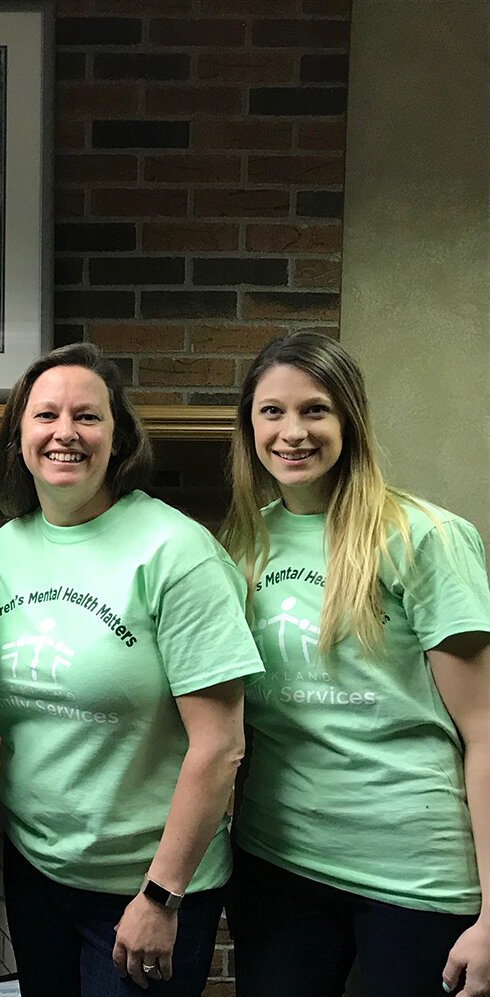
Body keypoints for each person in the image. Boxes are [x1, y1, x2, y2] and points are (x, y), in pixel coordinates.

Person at [0, 342, 262, 996]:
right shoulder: (0, 554)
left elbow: (220, 745)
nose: (65, 432)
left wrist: (161, 896)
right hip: (37, 872)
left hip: (146, 886)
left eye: (88, 416)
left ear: (119, 437)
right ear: (19, 434)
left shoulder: (175, 550)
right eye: (45, 414)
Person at [219, 332, 490, 997]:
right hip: (278, 865)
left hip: (414, 876)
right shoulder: (242, 542)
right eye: (271, 411)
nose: (292, 432)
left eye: (315, 410)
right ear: (249, 424)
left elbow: (485, 732)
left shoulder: (423, 535)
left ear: (349, 418)